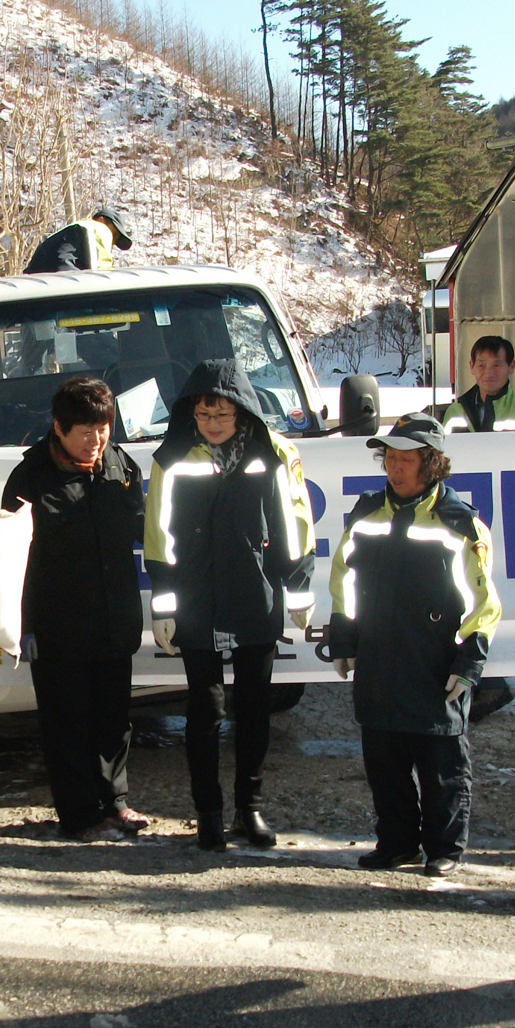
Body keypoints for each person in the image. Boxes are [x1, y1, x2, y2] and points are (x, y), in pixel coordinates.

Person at [144, 360, 316, 851]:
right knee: (205, 709)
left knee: (255, 708)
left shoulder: (274, 453)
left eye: (222, 413)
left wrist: (298, 586)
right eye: (204, 414)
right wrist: (164, 605)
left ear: (242, 411)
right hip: (196, 599)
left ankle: (250, 808)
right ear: (191, 414)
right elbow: (159, 536)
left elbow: (294, 521)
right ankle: (209, 813)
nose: (213, 423)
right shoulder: (172, 458)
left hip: (254, 594)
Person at [327, 413, 501, 878]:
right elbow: (344, 581)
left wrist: (469, 663)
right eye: (390, 457)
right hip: (379, 660)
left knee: (442, 765)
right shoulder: (367, 514)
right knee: (384, 765)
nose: (394, 467)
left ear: (432, 462)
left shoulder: (460, 524)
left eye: (406, 459)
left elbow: (483, 602)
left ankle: (445, 848)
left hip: (434, 663)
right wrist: (343, 638)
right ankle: (396, 843)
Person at [2, 376, 150, 843]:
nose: (96, 440)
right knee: (66, 722)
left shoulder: (120, 465)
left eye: (103, 428)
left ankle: (115, 802)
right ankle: (79, 813)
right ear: (59, 428)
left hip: (114, 615)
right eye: (85, 431)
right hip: (57, 623)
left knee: (114, 718)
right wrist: (22, 625)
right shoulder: (30, 478)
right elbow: (11, 558)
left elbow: (142, 528)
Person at [441, 336, 515, 434]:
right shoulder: (456, 411)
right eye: (481, 365)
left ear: (511, 366)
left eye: (496, 365)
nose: (489, 373)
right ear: (472, 366)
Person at [23, 205, 134, 274]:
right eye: (114, 235)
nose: (112, 242)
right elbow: (102, 273)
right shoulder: (97, 227)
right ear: (101, 219)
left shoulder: (61, 235)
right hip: (65, 282)